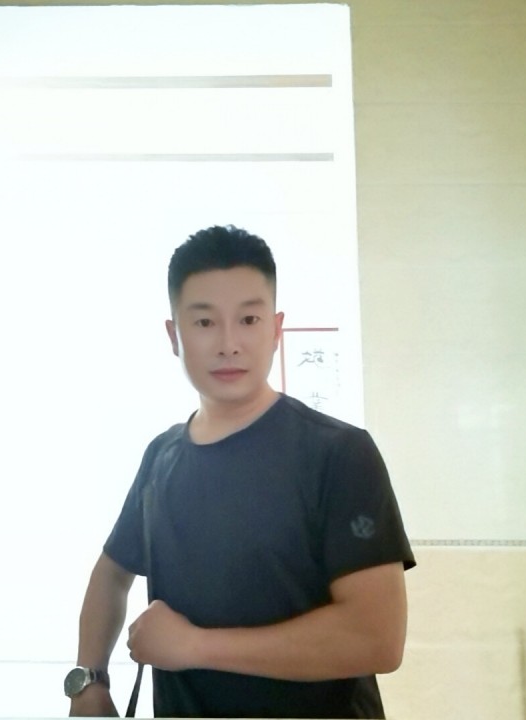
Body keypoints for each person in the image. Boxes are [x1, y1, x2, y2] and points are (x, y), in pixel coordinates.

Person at [66, 225, 415, 718]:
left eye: (249, 319)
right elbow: (111, 573)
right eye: (204, 322)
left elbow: (376, 638)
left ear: (275, 329)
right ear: (174, 335)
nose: (229, 344)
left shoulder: (339, 453)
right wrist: (89, 680)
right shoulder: (162, 456)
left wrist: (195, 646)